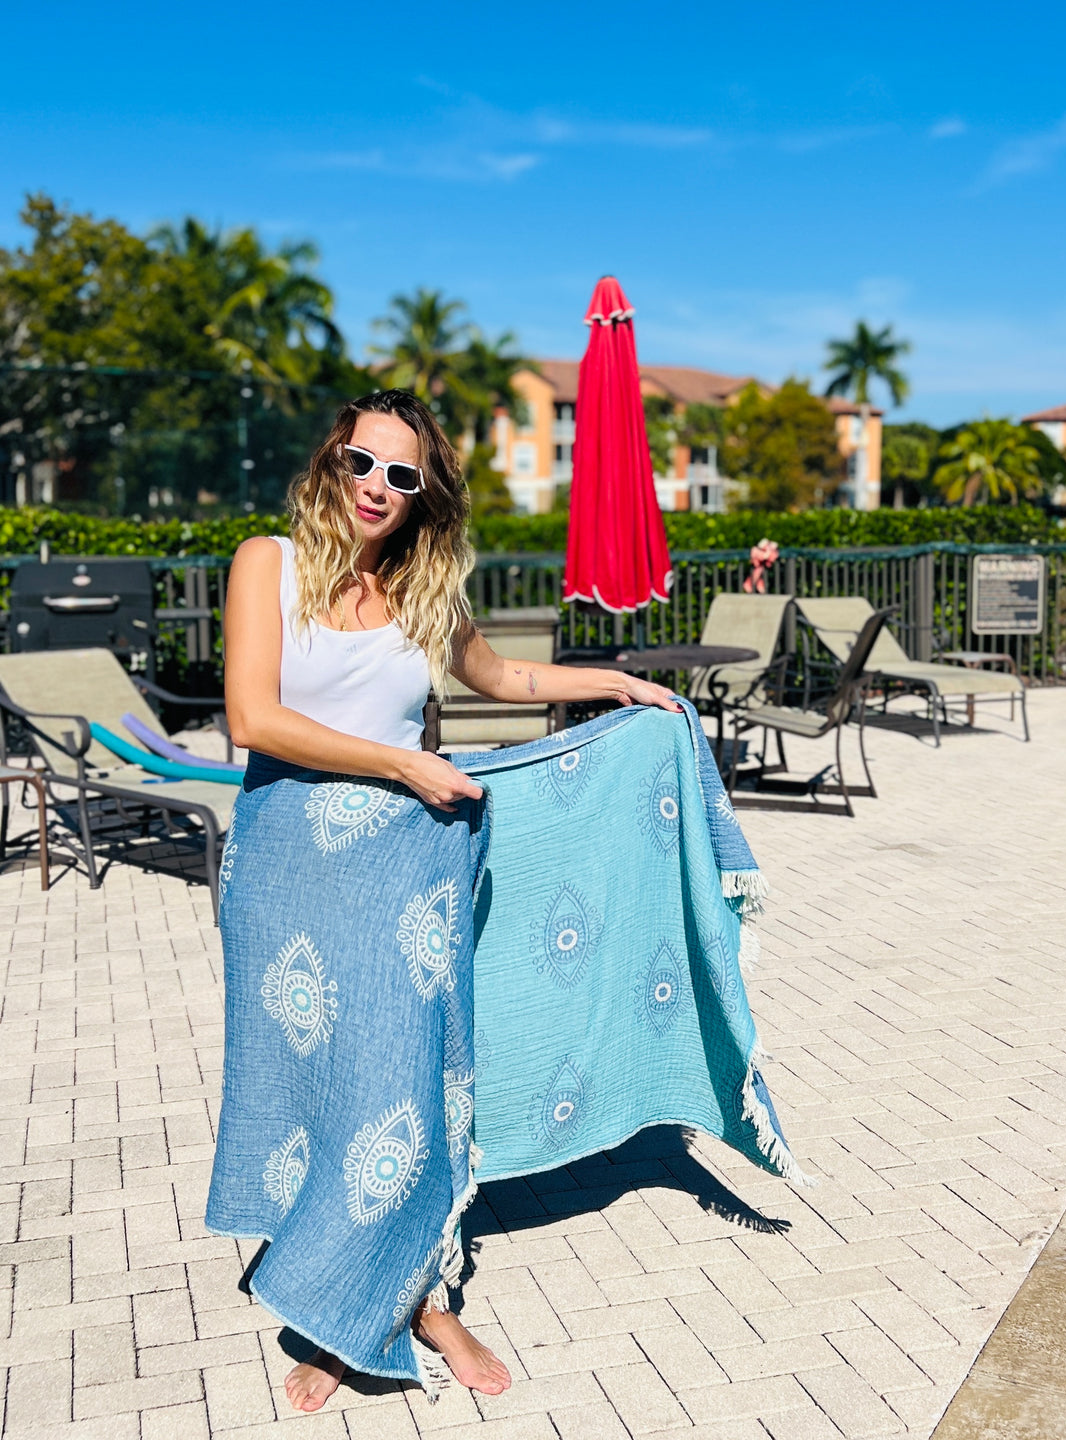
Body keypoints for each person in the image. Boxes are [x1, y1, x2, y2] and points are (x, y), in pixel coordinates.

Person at [219, 389, 678, 1412]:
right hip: (289, 875)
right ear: (328, 463)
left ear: (426, 496)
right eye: (361, 462)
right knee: (324, 1093)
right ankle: (343, 1312)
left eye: (402, 475)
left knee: (417, 1094)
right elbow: (254, 716)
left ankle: (423, 1301)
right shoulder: (269, 563)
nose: (377, 486)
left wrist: (616, 685)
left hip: (405, 876)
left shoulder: (426, 590)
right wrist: (399, 763)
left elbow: (501, 674)